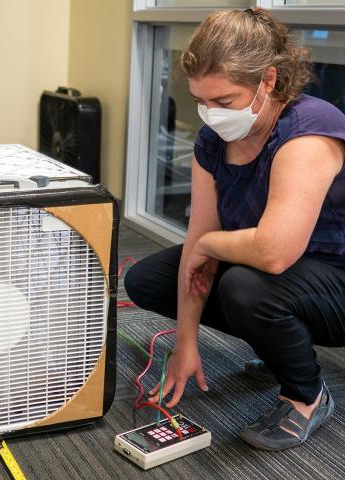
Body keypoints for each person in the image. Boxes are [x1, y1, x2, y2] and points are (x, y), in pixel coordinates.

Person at [125, 8, 345, 451]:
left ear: (267, 80)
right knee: (147, 280)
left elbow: (274, 252)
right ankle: (278, 346)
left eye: (223, 102)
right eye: (200, 101)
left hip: (334, 277)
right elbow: (198, 245)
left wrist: (207, 243)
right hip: (285, 272)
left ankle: (307, 395)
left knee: (246, 287)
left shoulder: (309, 131)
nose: (210, 115)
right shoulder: (213, 142)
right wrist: (185, 344)